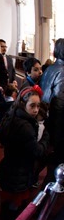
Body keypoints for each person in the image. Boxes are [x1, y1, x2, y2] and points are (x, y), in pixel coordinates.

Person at [0, 86, 50, 217]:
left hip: (8, 166)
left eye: (38, 106)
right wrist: (45, 138)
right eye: (32, 106)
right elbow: (38, 152)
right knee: (12, 208)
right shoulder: (26, 126)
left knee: (3, 201)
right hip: (20, 172)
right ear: (23, 104)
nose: (36, 110)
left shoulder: (12, 114)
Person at [40, 38, 64, 183]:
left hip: (47, 117)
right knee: (57, 159)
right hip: (57, 122)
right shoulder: (62, 72)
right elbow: (60, 104)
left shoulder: (51, 68)